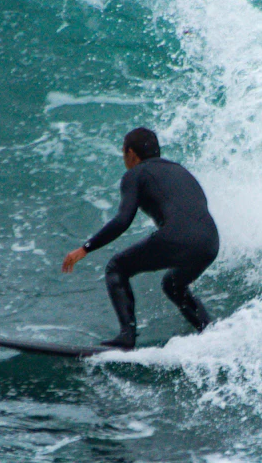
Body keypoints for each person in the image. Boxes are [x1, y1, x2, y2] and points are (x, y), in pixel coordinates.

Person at [62, 127, 219, 350]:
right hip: (210, 242)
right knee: (173, 285)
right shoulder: (180, 171)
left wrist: (85, 248)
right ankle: (210, 333)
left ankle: (126, 338)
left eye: (124, 153)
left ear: (131, 153)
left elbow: (122, 220)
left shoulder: (135, 174)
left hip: (178, 237)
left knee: (117, 267)